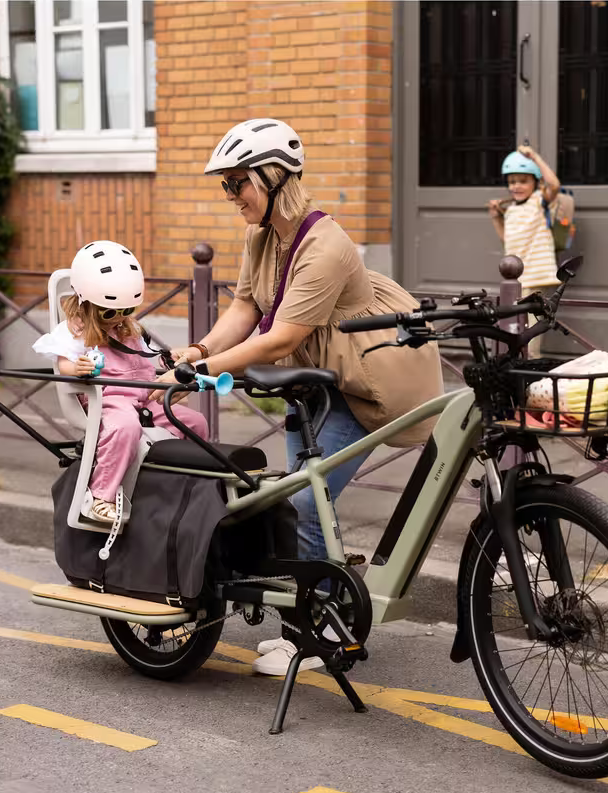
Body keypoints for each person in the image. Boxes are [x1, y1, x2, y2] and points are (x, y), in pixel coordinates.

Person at [151, 118, 444, 675]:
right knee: (302, 505)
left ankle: (308, 637)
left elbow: (282, 336)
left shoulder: (325, 245)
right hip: (314, 386)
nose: (230, 196)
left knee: (307, 505)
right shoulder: (262, 236)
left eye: (236, 183)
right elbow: (245, 309)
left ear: (273, 177)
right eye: (225, 185)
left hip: (362, 388)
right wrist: (196, 352)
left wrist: (206, 370)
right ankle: (322, 617)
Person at [33, 241, 209, 526]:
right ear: (85, 302)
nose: (118, 318)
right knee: (125, 427)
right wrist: (77, 368)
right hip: (108, 398)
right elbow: (62, 362)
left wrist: (168, 361)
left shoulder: (127, 327)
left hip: (145, 395)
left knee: (195, 422)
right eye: (109, 312)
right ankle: (101, 495)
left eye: (126, 309)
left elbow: (143, 361)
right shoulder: (73, 330)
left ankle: (191, 488)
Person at [487, 145, 562, 356]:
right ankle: (521, 367)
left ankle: (530, 367)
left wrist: (535, 157)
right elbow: (507, 241)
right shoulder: (510, 209)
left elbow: (554, 185)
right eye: (512, 182)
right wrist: (495, 217)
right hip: (517, 278)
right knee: (514, 326)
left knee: (528, 329)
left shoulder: (539, 202)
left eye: (523, 181)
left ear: (535, 182)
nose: (516, 186)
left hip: (535, 275)